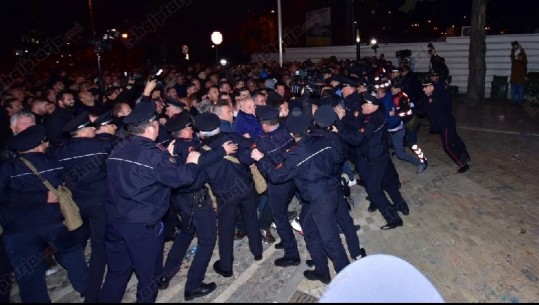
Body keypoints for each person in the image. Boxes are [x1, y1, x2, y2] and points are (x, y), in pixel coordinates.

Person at [99, 80, 202, 303]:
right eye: (156, 125)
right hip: (142, 225)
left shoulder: (119, 147)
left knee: (117, 273)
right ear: (149, 128)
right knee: (149, 277)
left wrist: (169, 156)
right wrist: (192, 162)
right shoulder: (154, 155)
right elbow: (182, 178)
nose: (158, 128)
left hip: (115, 221)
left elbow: (144, 171)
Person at [252, 109, 351, 284]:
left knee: (331, 240)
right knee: (309, 229)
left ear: (291, 133)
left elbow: (276, 176)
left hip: (321, 198)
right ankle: (322, 270)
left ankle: (346, 278)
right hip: (328, 191)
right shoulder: (326, 137)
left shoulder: (297, 153)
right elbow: (340, 156)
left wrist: (261, 159)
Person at [0, 125, 89, 302]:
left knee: (30, 276)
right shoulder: (51, 163)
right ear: (39, 145)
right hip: (52, 223)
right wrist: (42, 197)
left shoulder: (6, 169)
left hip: (18, 230)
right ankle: (87, 289)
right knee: (72, 254)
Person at [159, 112, 238, 300]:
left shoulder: (171, 147)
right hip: (197, 200)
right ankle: (193, 285)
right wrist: (222, 151)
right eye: (190, 127)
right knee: (207, 240)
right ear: (185, 130)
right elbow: (201, 159)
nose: (192, 130)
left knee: (185, 235)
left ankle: (164, 274)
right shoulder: (189, 146)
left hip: (181, 199)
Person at [48, 111, 114, 303]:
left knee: (78, 239)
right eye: (91, 127)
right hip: (101, 202)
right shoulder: (102, 146)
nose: (95, 129)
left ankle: (79, 278)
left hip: (76, 204)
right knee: (99, 247)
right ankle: (92, 292)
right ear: (83, 130)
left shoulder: (58, 152)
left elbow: (56, 177)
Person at [194, 112, 263, 279]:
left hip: (226, 194)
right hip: (246, 186)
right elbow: (252, 144)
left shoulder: (199, 152)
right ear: (219, 127)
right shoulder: (232, 137)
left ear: (201, 133)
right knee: (251, 218)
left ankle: (226, 266)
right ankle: (257, 252)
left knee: (226, 229)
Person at [337, 91, 409, 230]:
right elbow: (357, 124)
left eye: (364, 103)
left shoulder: (373, 120)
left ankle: (394, 219)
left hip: (375, 159)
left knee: (374, 190)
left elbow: (359, 138)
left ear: (371, 105)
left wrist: (340, 132)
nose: (361, 106)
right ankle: (401, 205)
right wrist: (344, 118)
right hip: (381, 155)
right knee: (388, 183)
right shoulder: (373, 114)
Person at [254, 105, 300, 266]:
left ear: (264, 125)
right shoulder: (287, 130)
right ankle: (288, 239)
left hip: (278, 183)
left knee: (280, 218)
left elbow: (268, 170)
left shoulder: (262, 141)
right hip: (294, 177)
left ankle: (292, 254)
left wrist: (259, 158)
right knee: (281, 213)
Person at [421, 78, 470, 173]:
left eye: (425, 87)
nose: (423, 89)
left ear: (431, 87)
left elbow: (424, 110)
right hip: (449, 120)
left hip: (445, 123)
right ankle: (465, 156)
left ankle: (462, 164)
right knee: (455, 139)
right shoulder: (433, 95)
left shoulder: (434, 97)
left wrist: (410, 111)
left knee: (447, 146)